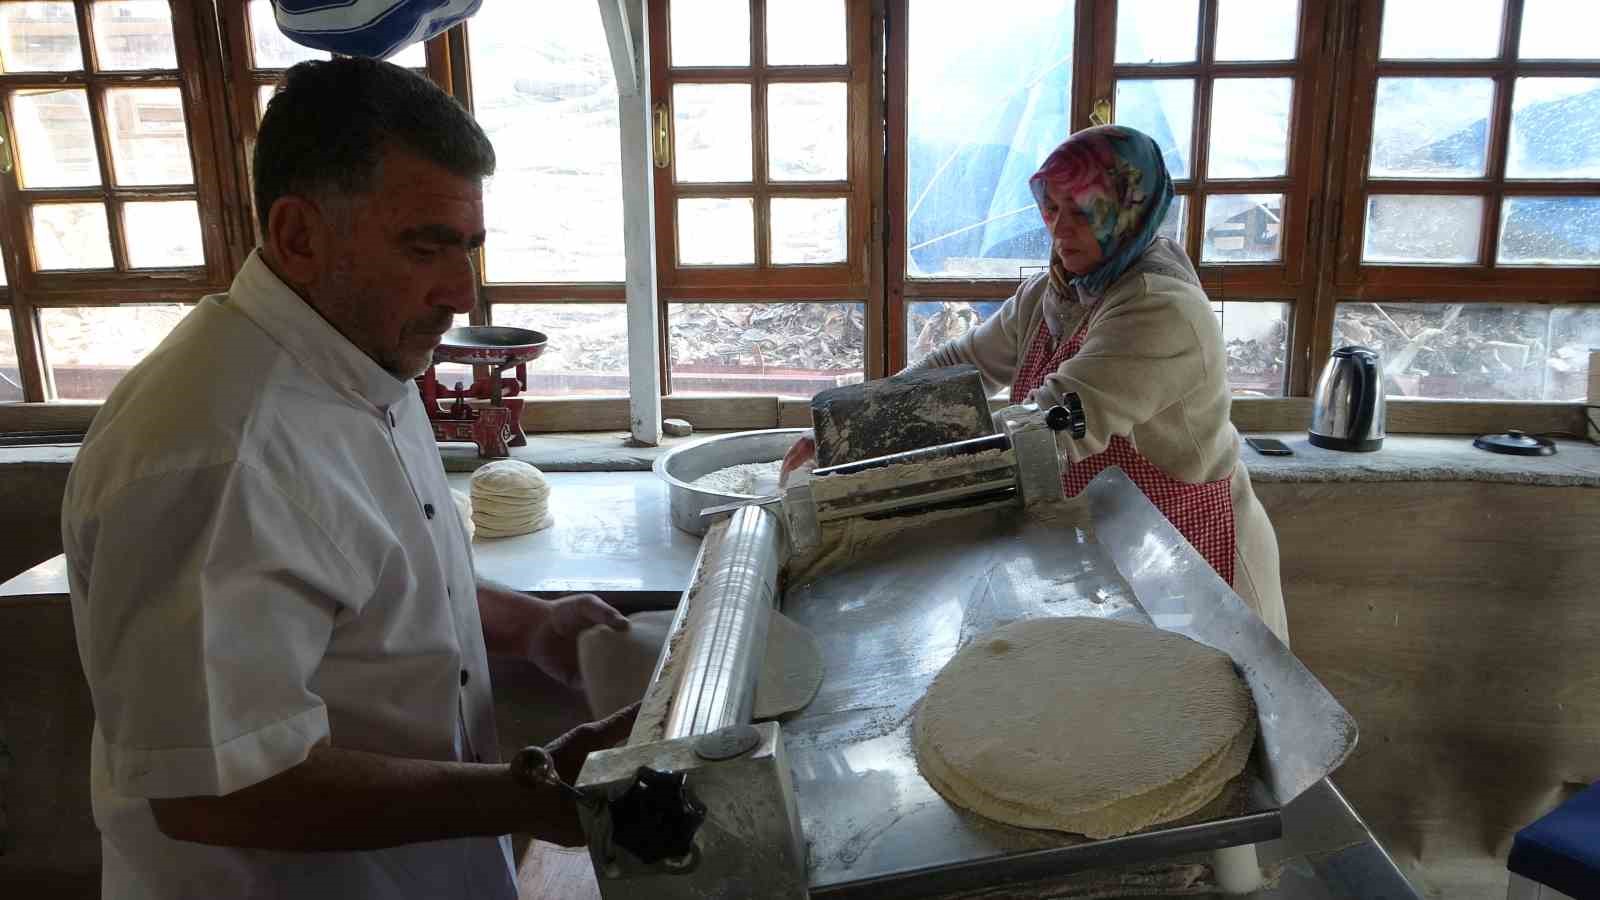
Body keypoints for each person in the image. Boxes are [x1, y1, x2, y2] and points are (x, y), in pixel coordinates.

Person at [61, 58, 634, 900]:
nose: (460, 292)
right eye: (423, 247)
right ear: (298, 235)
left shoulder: (364, 353)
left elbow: (375, 580)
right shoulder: (222, 451)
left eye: (470, 246)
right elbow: (218, 790)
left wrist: (528, 626)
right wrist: (534, 795)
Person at [786, 125, 1287, 642]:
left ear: (1129, 210)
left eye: (1084, 214)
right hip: (1117, 542)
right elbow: (964, 363)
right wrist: (854, 426)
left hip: (1193, 556)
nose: (1060, 231)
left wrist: (874, 463)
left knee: (1211, 709)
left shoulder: (1161, 309)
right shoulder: (1054, 293)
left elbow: (1047, 425)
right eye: (1052, 210)